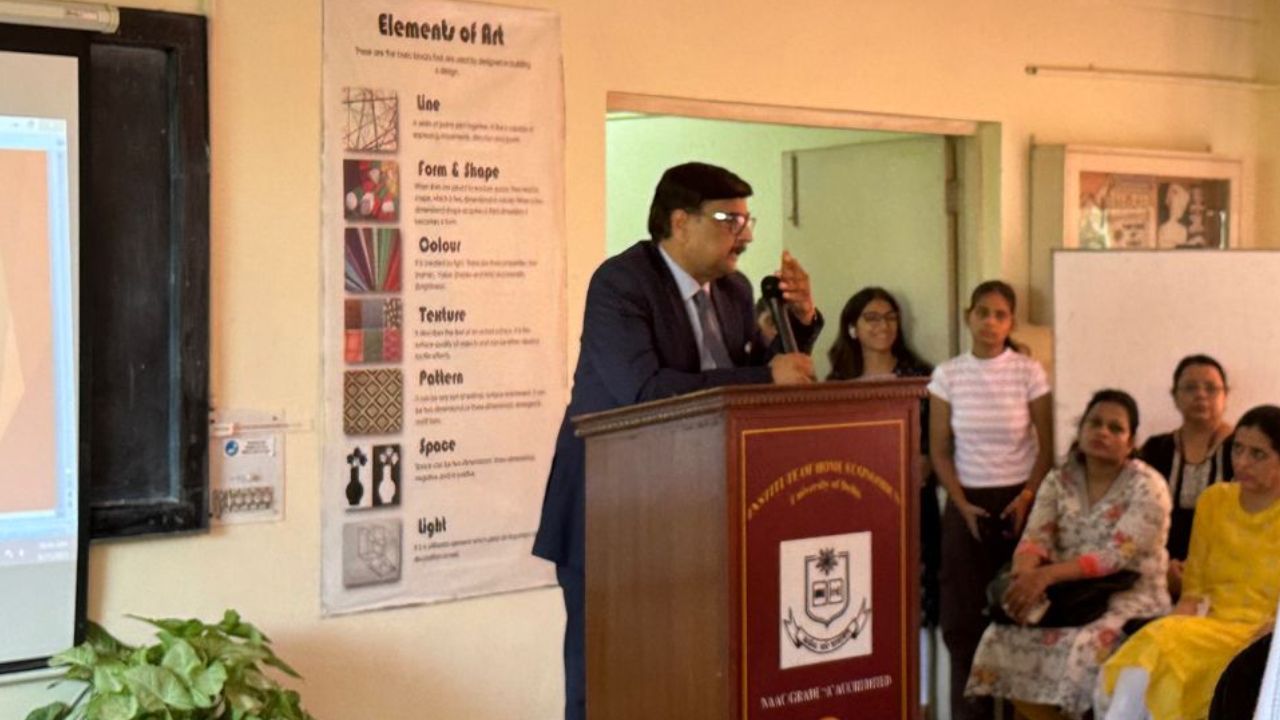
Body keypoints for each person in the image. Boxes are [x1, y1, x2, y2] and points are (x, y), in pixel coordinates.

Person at [531, 162, 824, 720]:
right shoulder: (621, 283)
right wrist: (766, 376)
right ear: (680, 222)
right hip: (613, 511)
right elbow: (644, 391)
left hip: (696, 514)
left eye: (748, 220)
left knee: (688, 677)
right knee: (607, 680)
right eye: (729, 220)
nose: (746, 235)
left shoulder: (735, 291)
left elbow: (749, 379)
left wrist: (800, 322)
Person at [967, 390, 1172, 720]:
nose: (1102, 432)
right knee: (1000, 634)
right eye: (1095, 423)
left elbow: (1114, 555)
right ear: (1081, 430)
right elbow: (1036, 537)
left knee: (1087, 647)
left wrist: (1045, 576)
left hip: (1129, 597)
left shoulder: (1148, 485)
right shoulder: (1059, 479)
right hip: (1068, 595)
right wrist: (1024, 579)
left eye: (1115, 428)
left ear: (1131, 442)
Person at [1099, 404, 1280, 720]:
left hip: (1260, 636)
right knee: (1153, 648)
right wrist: (1173, 626)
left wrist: (1264, 646)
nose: (1242, 462)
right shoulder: (1214, 500)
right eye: (1237, 449)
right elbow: (1193, 590)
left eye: (1258, 454)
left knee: (1168, 656)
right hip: (1208, 623)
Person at [928, 279, 1054, 720]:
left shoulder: (1028, 371)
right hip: (966, 503)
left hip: (1021, 501)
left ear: (1011, 323)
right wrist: (961, 503)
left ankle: (1021, 712)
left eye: (1000, 315)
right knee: (963, 621)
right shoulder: (948, 375)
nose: (990, 322)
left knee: (1022, 611)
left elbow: (1047, 447)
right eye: (982, 312)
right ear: (969, 316)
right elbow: (939, 450)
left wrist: (1027, 497)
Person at [826, 287, 939, 626]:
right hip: (856, 501)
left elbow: (941, 437)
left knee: (910, 596)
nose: (883, 326)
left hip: (911, 500)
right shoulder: (837, 384)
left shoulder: (921, 376)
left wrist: (928, 460)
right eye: (872, 318)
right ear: (853, 328)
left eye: (890, 318)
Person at [1138, 354, 1233, 598]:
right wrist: (1163, 569)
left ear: (1225, 395)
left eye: (1211, 388)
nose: (1200, 395)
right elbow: (1137, 516)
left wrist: (1199, 571)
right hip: (1160, 571)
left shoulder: (1244, 450)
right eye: (1190, 387)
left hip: (1227, 572)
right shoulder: (1155, 449)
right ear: (1175, 396)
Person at [1156, 182, 1191, 247]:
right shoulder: (1162, 228)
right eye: (1174, 207)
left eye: (1181, 207)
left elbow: (1181, 248)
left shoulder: (1183, 230)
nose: (1177, 210)